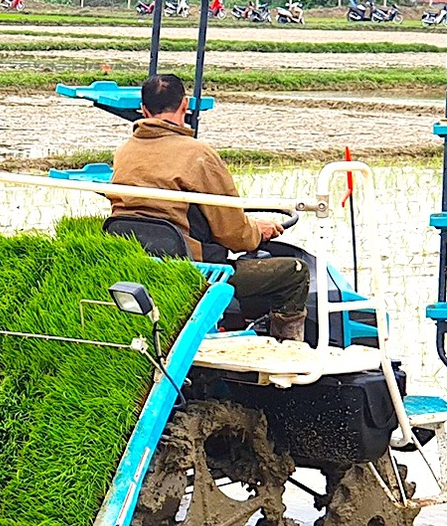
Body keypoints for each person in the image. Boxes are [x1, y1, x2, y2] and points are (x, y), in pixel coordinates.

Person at [107, 74, 310, 341]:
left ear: (144, 110)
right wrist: (258, 232)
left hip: (142, 264)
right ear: (185, 105)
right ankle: (288, 355)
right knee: (294, 273)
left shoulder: (124, 152)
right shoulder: (198, 154)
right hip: (194, 269)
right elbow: (235, 236)